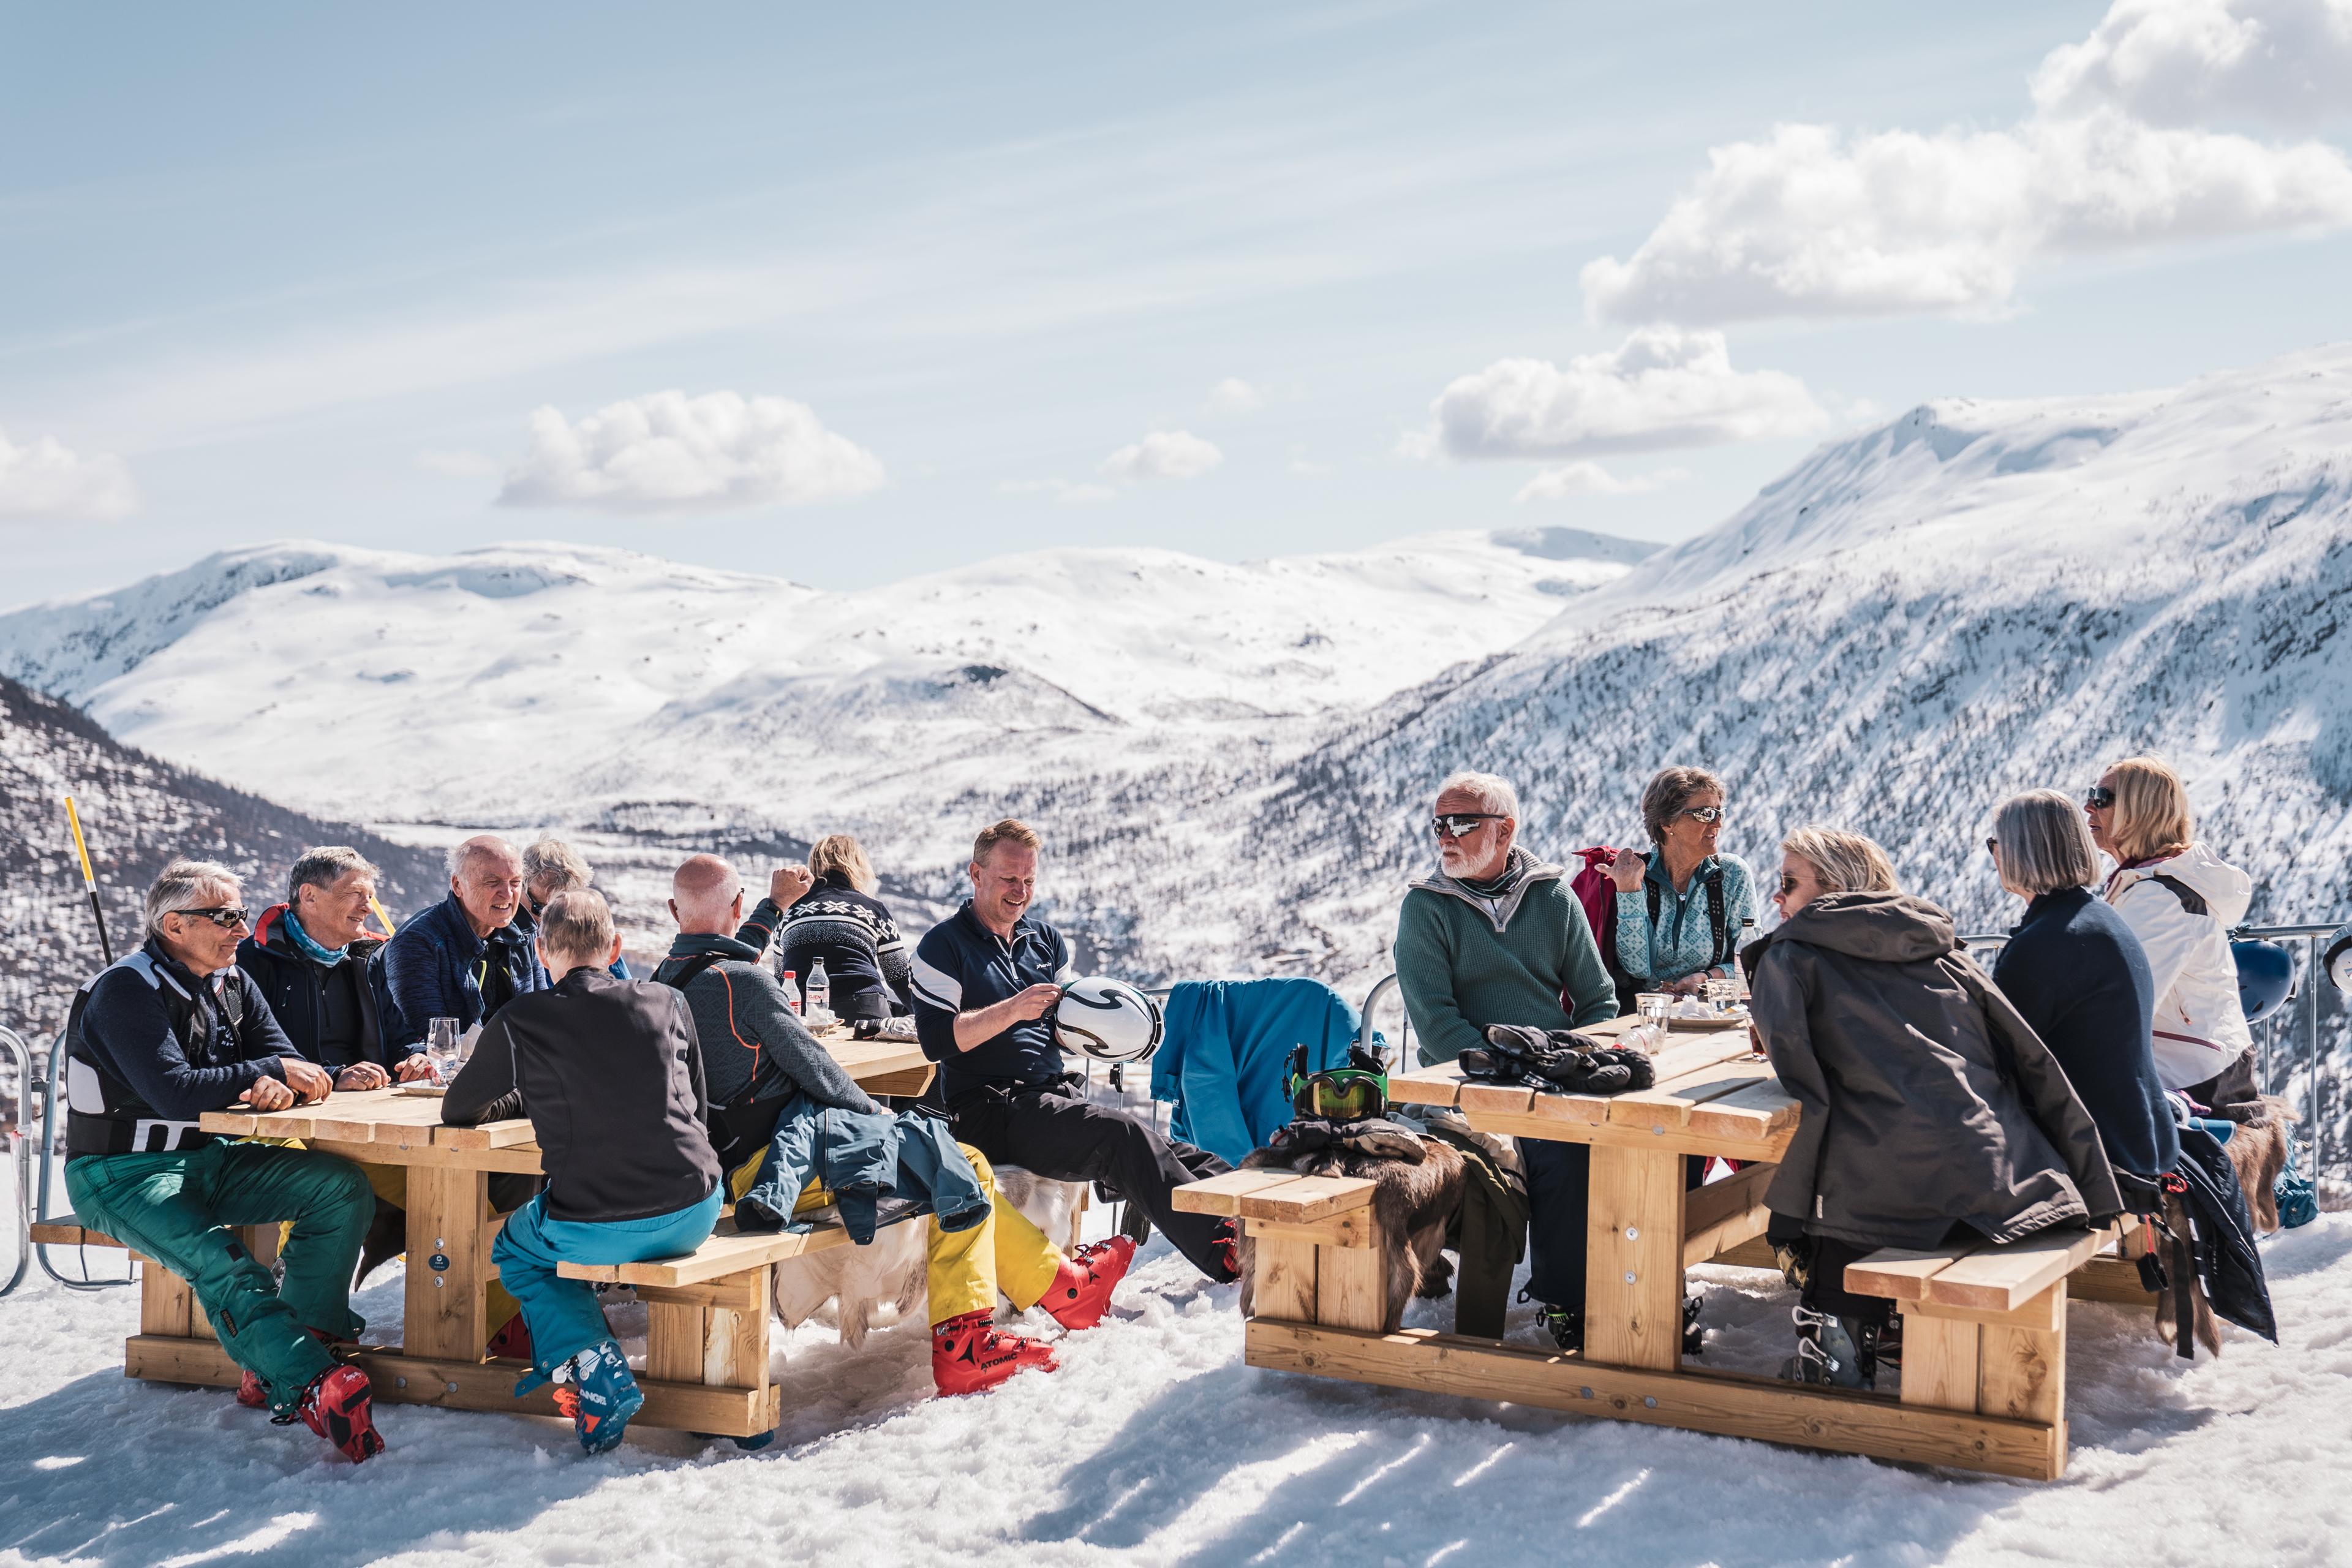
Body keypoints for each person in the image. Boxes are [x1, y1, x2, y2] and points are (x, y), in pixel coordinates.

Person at [657, 853, 1128, 1395]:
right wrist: (880, 1116)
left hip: (714, 1169)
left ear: (673, 910)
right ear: (738, 907)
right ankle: (978, 1337)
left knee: (940, 1156)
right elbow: (820, 1074)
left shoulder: (659, 985)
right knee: (958, 1160)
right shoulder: (746, 985)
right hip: (780, 1171)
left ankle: (1066, 1288)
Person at [1747, 826, 2121, 1390]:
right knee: (1873, 1145)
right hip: (2002, 1174)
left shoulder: (1793, 956)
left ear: (1833, 889)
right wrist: (2090, 1176)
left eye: (1789, 882)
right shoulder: (1941, 948)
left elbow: (1802, 1080)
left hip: (1893, 1191)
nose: (1777, 897)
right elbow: (2028, 1057)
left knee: (1848, 1159)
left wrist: (1790, 1217)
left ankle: (1833, 1350)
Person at [62, 859, 384, 1461]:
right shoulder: (127, 989)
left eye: (241, 913)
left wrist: (316, 1078)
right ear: (176, 925)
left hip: (212, 1158)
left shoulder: (231, 981)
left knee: (339, 1188)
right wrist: (268, 1074)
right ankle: (311, 1383)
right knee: (226, 1263)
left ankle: (293, 1348)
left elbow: (283, 1058)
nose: (242, 927)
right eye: (226, 916)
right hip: (122, 1174)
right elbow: (175, 1090)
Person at [443, 889, 718, 1453]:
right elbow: (700, 1107)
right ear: (615, 947)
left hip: (593, 1220)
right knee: (559, 1227)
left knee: (517, 1251)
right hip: (696, 1207)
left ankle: (593, 1362)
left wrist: (527, 1097)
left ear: (542, 952)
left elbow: (458, 1109)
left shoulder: (523, 1018)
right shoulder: (667, 1000)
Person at [912, 819, 1240, 1284]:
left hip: (1049, 1099)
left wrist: (1109, 1026)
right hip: (990, 1110)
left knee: (1170, 1149)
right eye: (1008, 878)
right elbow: (937, 1039)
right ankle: (1225, 1251)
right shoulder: (941, 946)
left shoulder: (1045, 941)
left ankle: (1258, 1217)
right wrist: (1013, 1010)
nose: (1019, 891)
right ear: (976, 873)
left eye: (1028, 880)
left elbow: (1066, 1028)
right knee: (1123, 1139)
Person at [1393, 771, 1618, 1352]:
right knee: (1562, 1150)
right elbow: (1440, 1030)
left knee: (1645, 1146)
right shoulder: (1427, 908)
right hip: (1461, 1084)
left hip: (1555, 1075)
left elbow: (1598, 1001)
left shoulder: (1550, 895)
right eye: (1438, 823)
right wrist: (1514, 1075)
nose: (1445, 835)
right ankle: (1570, 1303)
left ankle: (1643, 1286)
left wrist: (1574, 1061)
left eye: (1461, 824)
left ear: (1505, 830)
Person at [1987, 791, 2180, 1180]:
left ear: (2020, 852)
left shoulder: (2046, 944)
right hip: (2140, 1138)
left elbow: (1993, 1059)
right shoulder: (2097, 919)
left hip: (2097, 1156)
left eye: (1995, 844)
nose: (1993, 855)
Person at [2084, 756, 2259, 1112]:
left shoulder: (2157, 899)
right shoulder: (2150, 886)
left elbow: (2123, 1010)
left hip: (2194, 1078)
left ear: (2140, 811)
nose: (2088, 806)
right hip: (2204, 1063)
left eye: (2102, 797)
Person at [238, 846, 429, 1090]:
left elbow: (399, 1038)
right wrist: (334, 1076)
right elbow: (246, 1055)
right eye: (355, 893)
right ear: (309, 896)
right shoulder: (252, 961)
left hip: (363, 1108)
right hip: (285, 1117)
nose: (368, 907)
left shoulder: (366, 961)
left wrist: (415, 1057)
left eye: (370, 896)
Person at [380, 834, 548, 1047]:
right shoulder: (418, 942)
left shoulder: (524, 933)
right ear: (458, 885)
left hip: (520, 1067)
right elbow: (431, 1039)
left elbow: (541, 1015)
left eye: (515, 882)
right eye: (492, 882)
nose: (507, 894)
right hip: (454, 1074)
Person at [1607, 766, 1757, 1000]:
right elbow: (1637, 968)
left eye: (1720, 813)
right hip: (1648, 1017)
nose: (1718, 824)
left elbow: (1751, 963)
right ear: (1667, 822)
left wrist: (1706, 979)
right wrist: (1629, 893)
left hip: (1712, 1016)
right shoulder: (1635, 878)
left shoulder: (1732, 875)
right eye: (1706, 813)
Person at [777, 834, 916, 1033]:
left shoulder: (788, 912)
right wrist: (928, 1020)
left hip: (805, 1018)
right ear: (858, 866)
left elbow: (782, 978)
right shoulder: (873, 909)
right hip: (865, 1009)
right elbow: (899, 977)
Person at [519, 837, 630, 979]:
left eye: (563, 914)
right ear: (519, 887)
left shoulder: (596, 941)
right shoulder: (499, 940)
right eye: (539, 908)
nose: (550, 922)